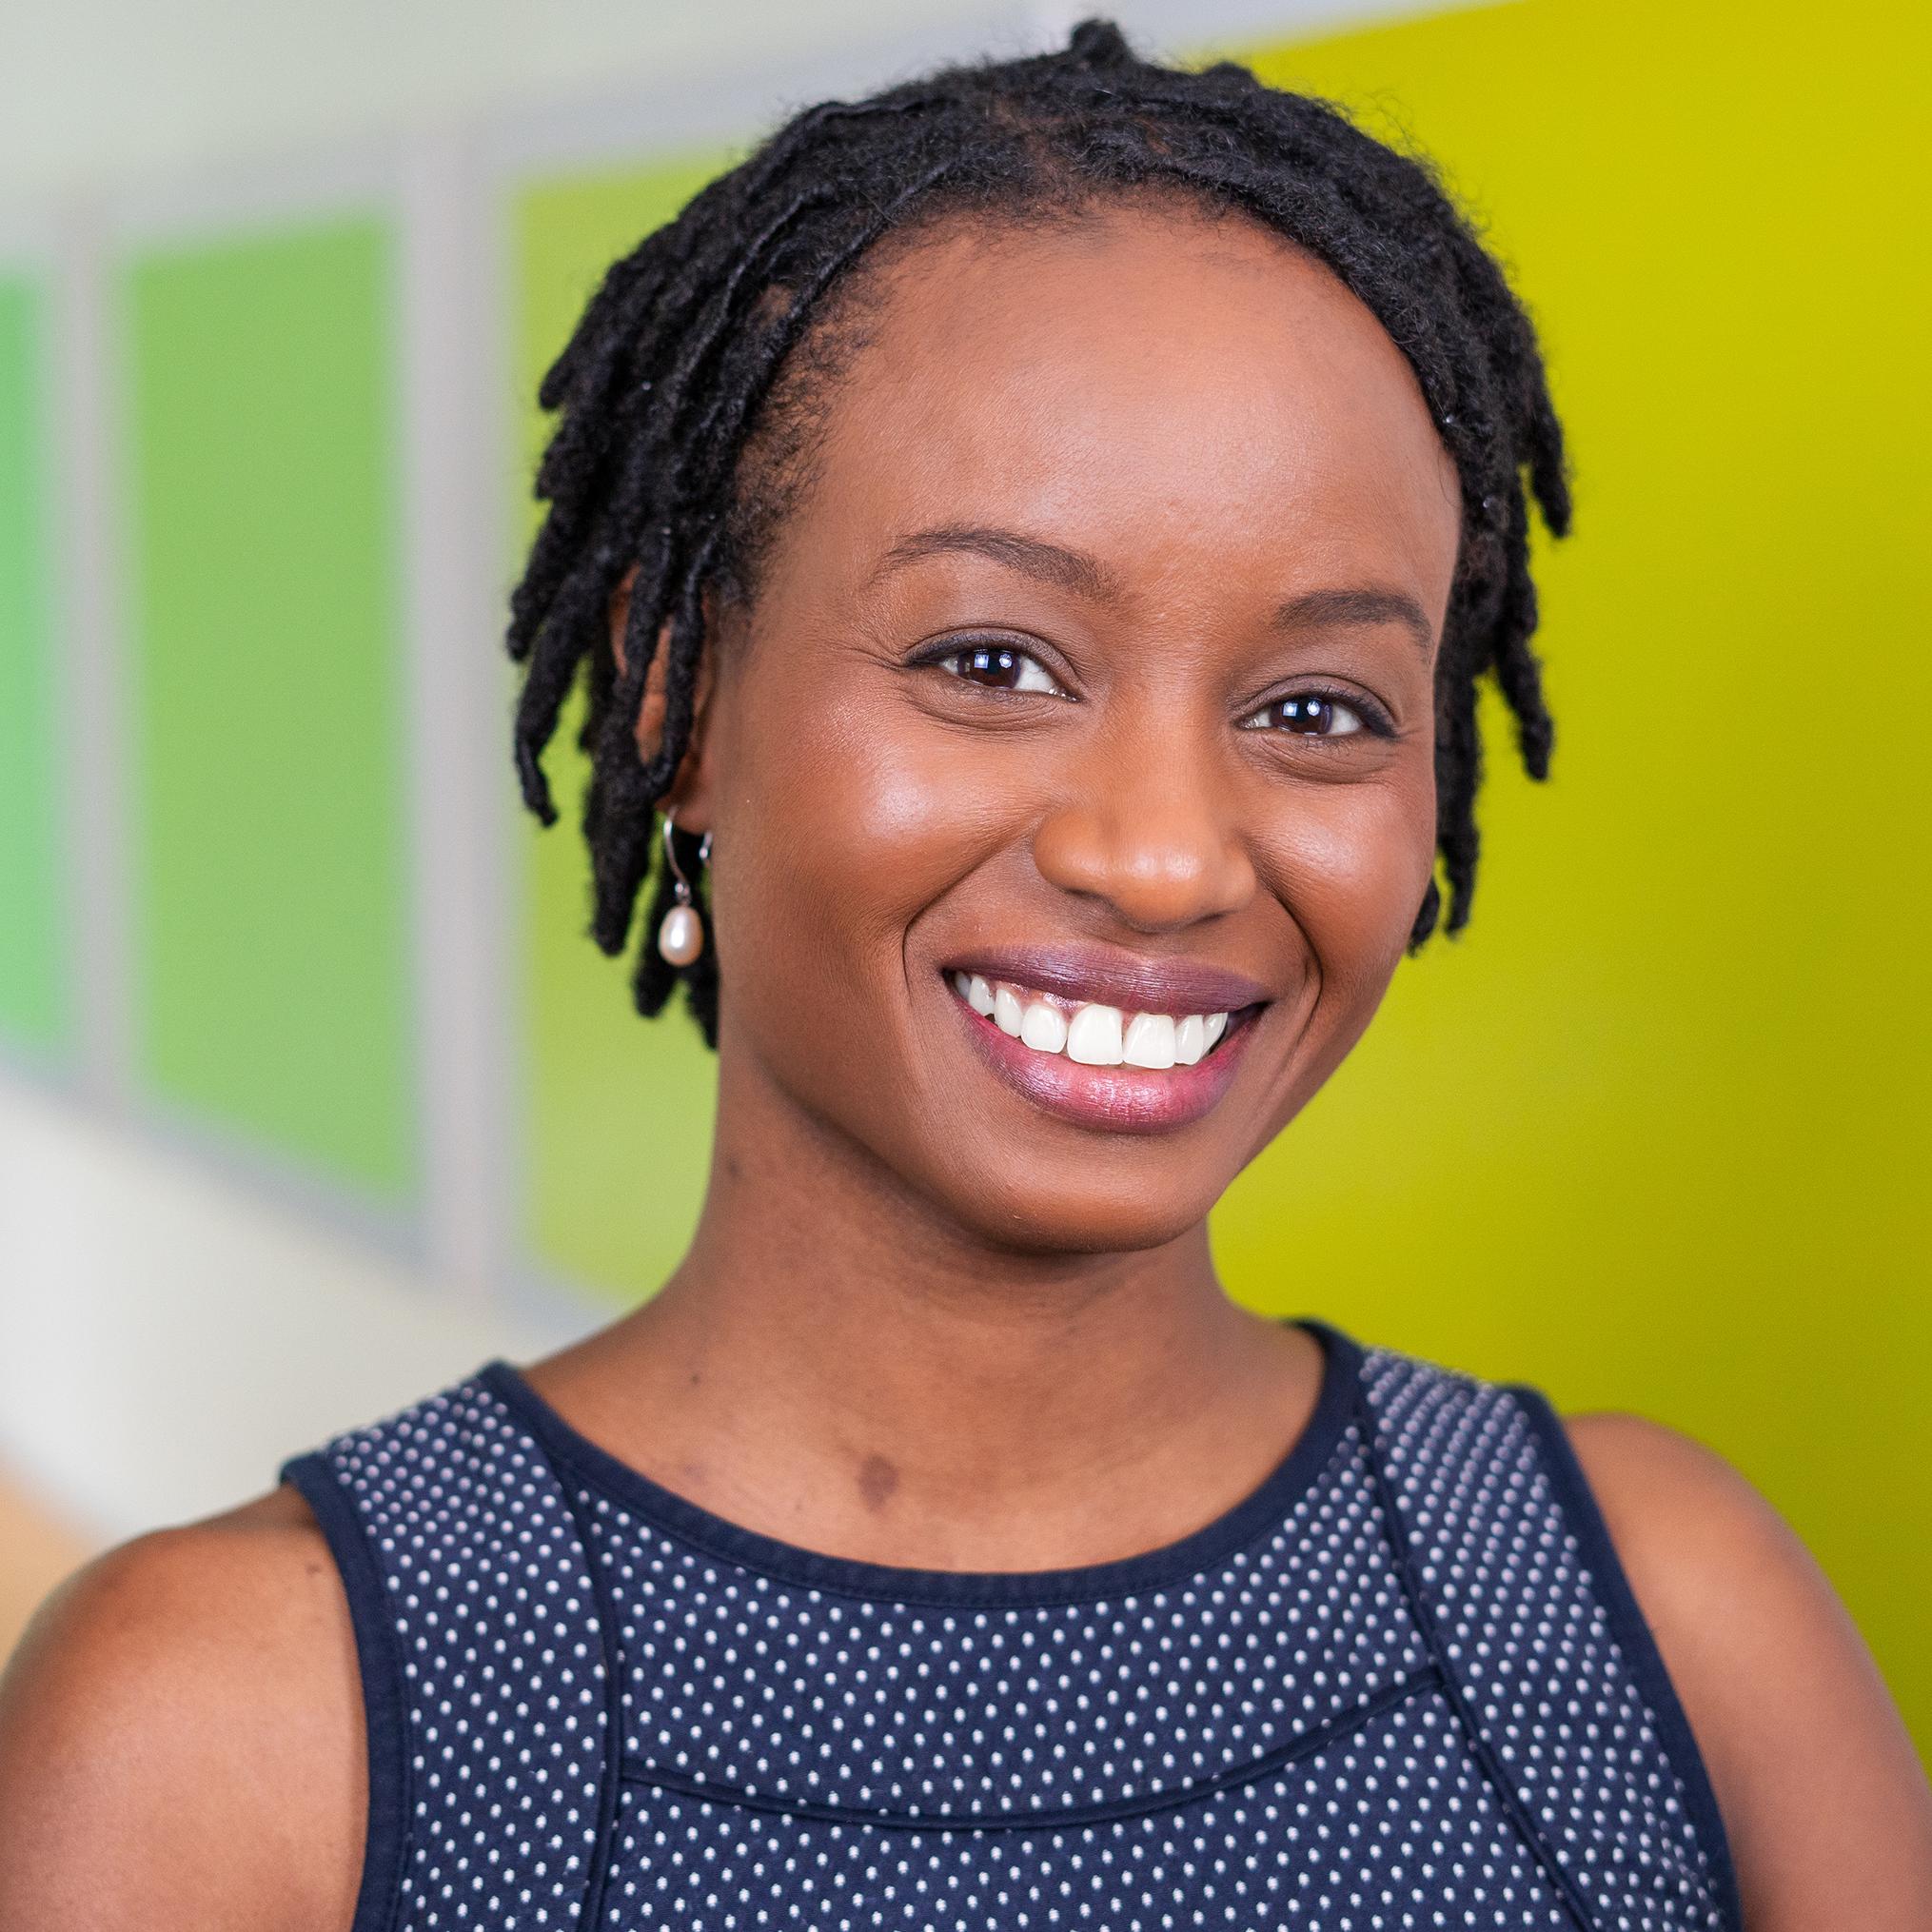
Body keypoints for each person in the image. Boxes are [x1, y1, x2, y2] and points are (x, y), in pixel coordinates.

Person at [2, 20, 1927, 1931]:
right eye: (991, 661)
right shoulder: (243, 1734)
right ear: (681, 701)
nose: (1164, 855)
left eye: (1318, 705)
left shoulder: (1655, 1621)